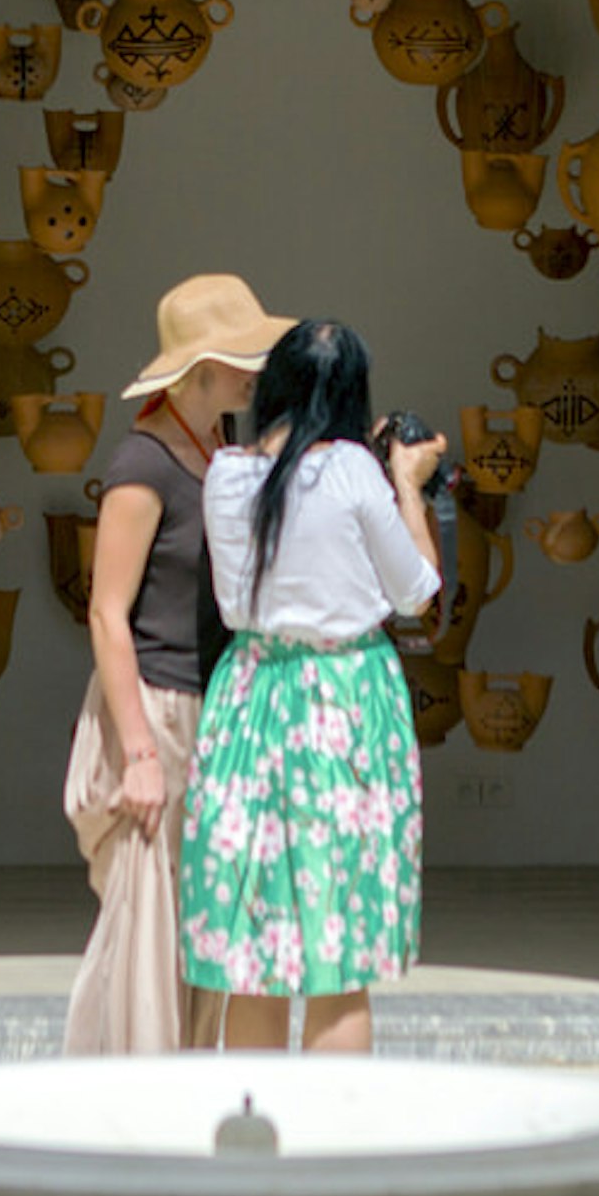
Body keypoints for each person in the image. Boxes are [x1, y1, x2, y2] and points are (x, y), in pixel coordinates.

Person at [182, 320, 445, 1053]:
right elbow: (416, 591)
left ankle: (257, 1142)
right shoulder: (354, 472)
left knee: (256, 958)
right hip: (342, 697)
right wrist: (408, 487)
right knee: (338, 958)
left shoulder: (227, 473)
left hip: (251, 695)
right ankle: (335, 1146)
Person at [61, 273, 293, 1055]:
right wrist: (138, 753)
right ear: (201, 371)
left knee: (199, 925)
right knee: (149, 934)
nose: (254, 372)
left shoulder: (214, 450)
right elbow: (107, 613)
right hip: (156, 710)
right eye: (241, 359)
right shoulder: (143, 465)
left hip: (207, 711)